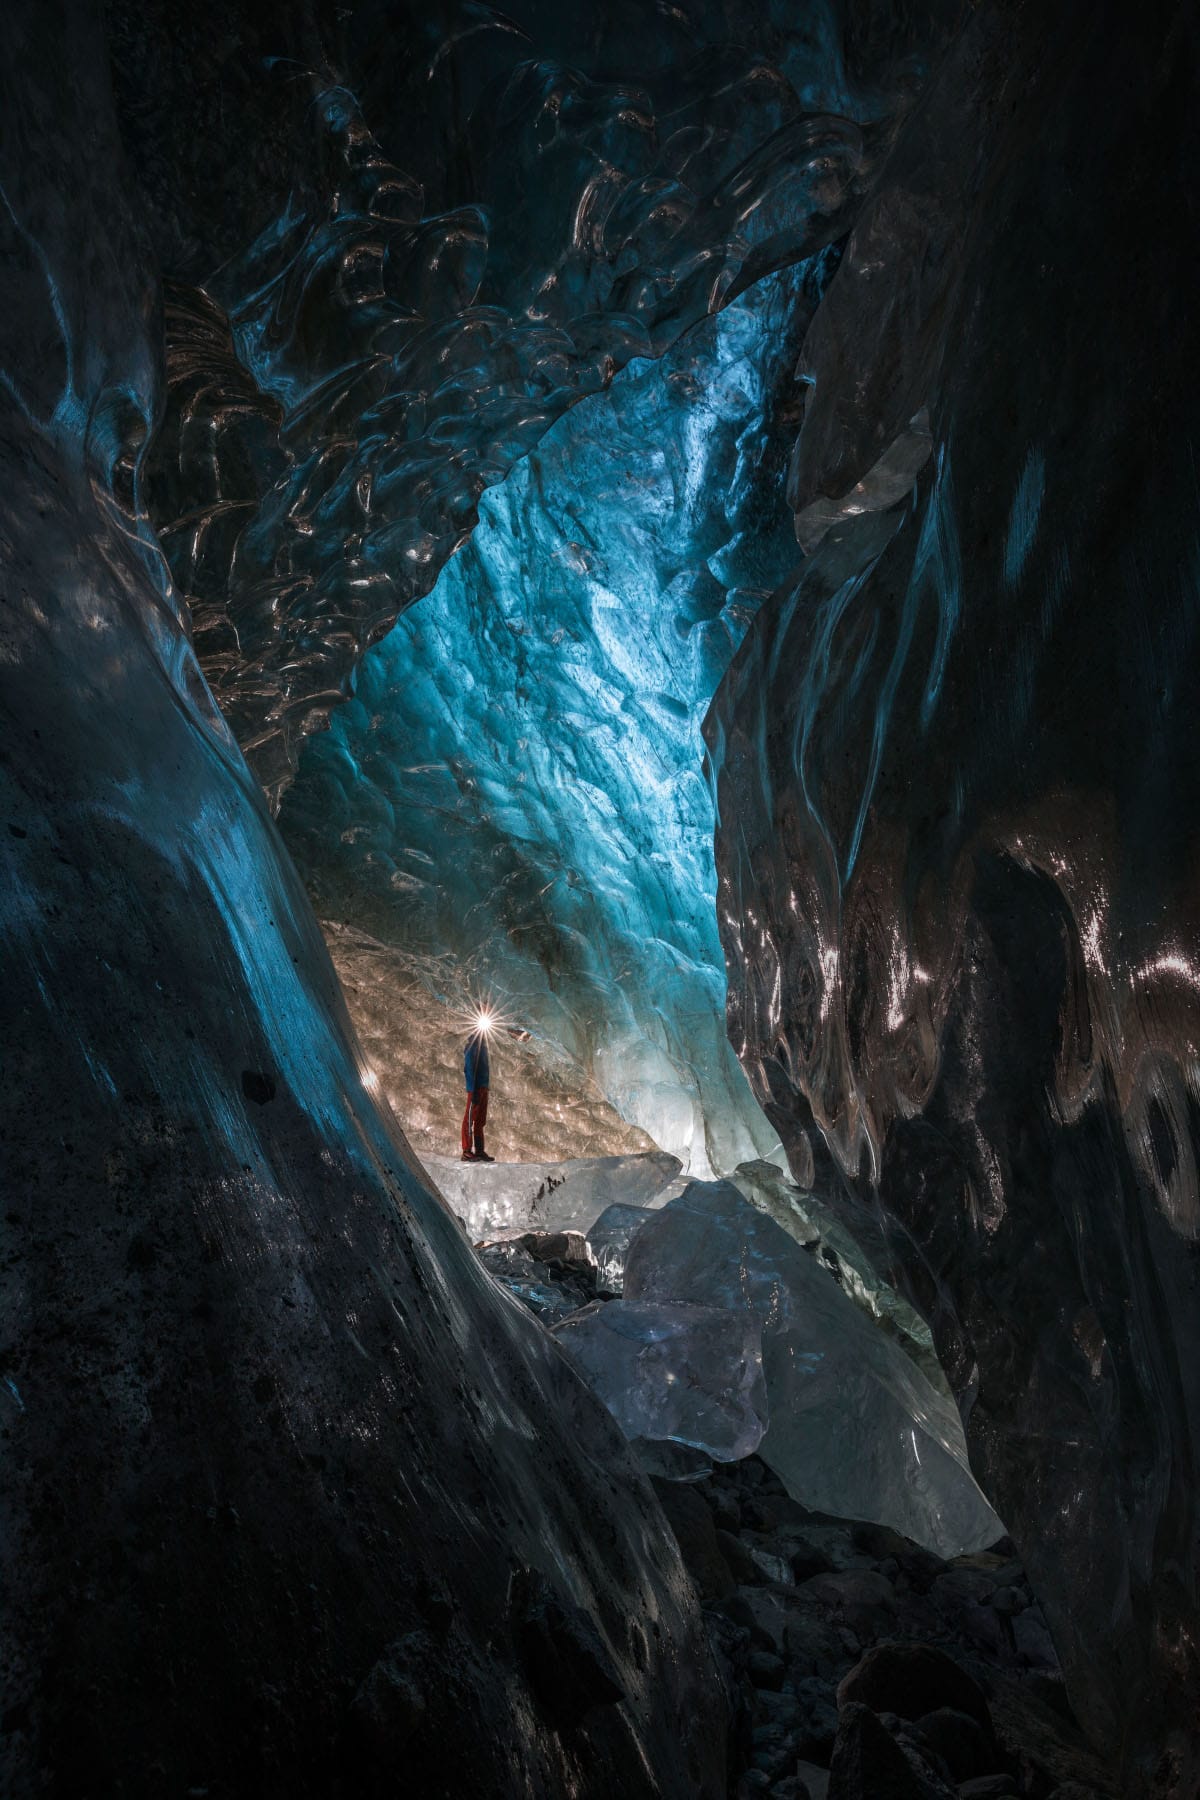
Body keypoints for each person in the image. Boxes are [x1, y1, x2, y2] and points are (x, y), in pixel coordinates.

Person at [461, 1022, 493, 1162]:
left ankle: (479, 1151)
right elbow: (469, 1069)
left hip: (483, 1087)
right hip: (475, 1088)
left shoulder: (483, 1044)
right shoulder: (472, 1044)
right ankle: (467, 1151)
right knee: (469, 1119)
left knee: (480, 1120)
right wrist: (472, 1091)